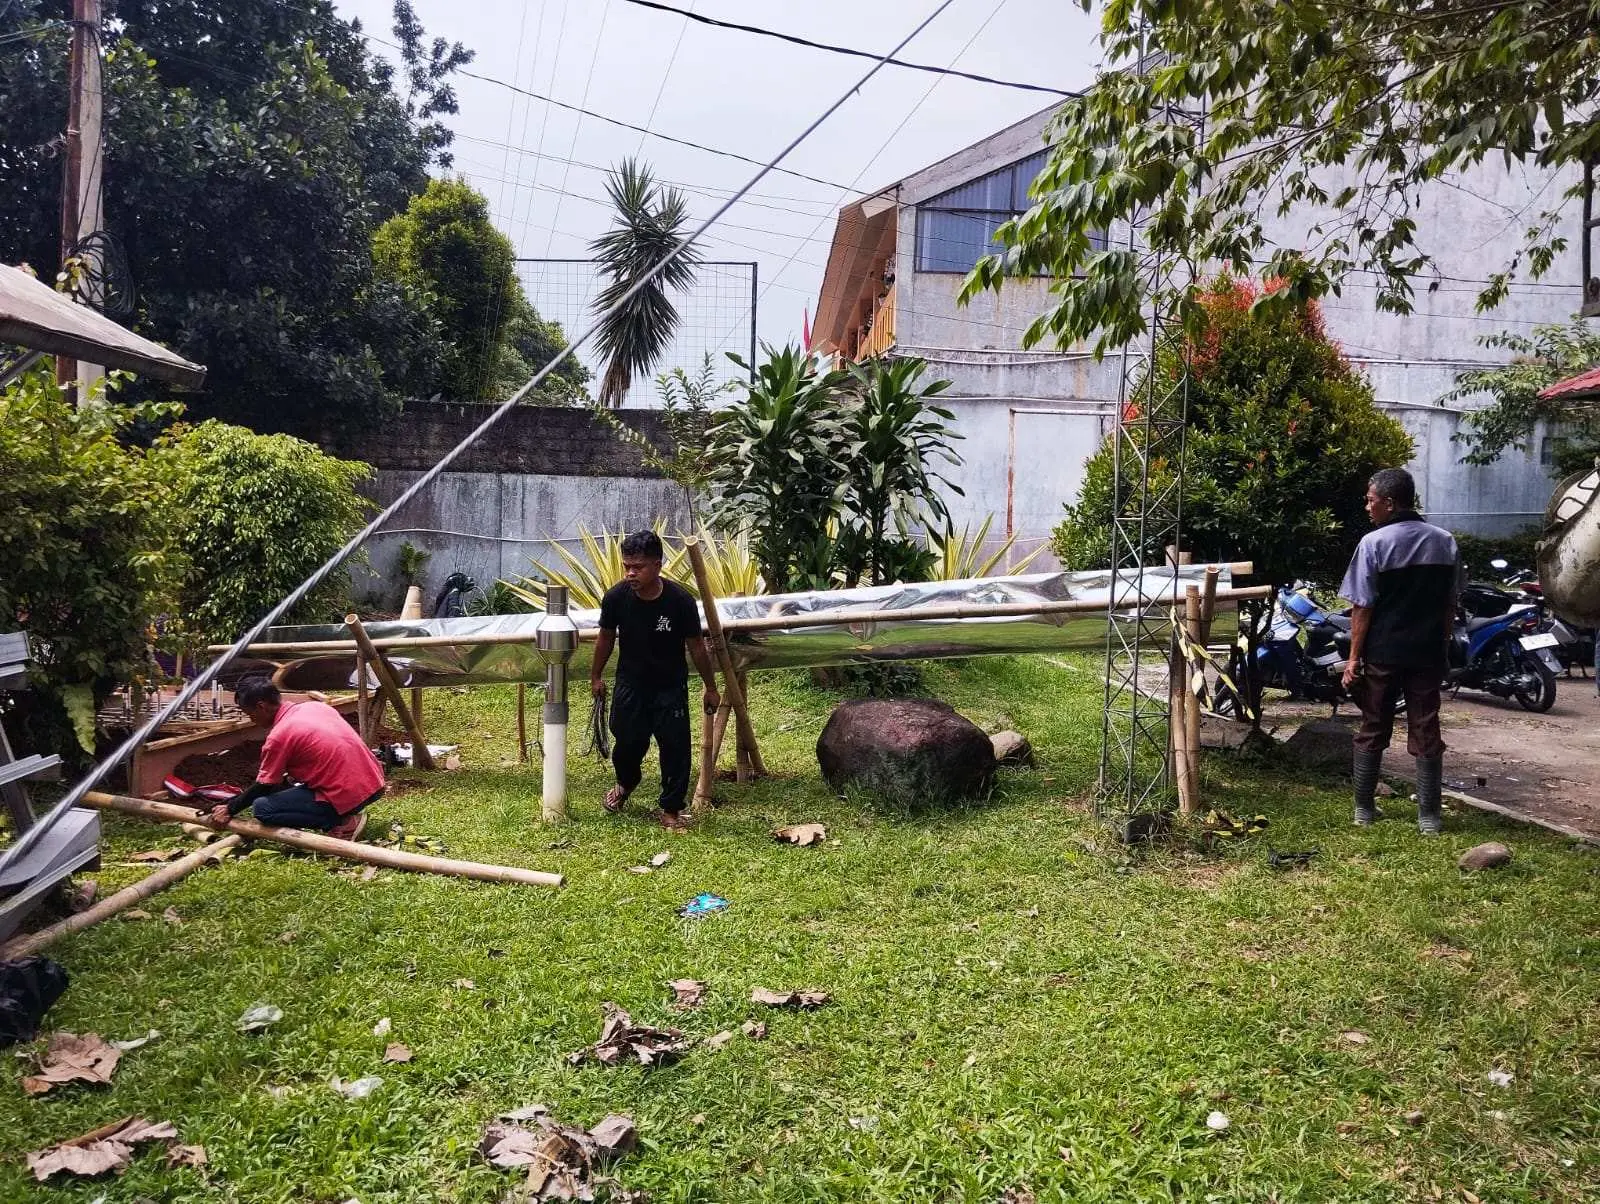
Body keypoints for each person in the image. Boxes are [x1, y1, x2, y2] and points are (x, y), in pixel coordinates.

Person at [1339, 468, 1461, 834]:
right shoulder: (1445, 541)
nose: (1367, 507)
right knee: (1426, 726)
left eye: (1370, 500)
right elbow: (1450, 603)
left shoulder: (1374, 543)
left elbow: (1362, 607)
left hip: (1384, 652)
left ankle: (1364, 809)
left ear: (1390, 503)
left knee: (1373, 723)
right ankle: (1429, 817)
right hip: (1427, 653)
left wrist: (1354, 658)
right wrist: (1442, 646)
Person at [590, 530, 720, 831]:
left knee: (675, 748)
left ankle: (671, 808)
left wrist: (711, 687)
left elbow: (696, 647)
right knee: (626, 742)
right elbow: (605, 638)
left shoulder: (680, 601)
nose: (630, 573)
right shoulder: (616, 598)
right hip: (630, 684)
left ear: (658, 565)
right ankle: (626, 783)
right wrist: (596, 676)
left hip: (670, 687)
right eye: (627, 566)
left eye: (638, 567)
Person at [205, 675, 385, 840]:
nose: (251, 719)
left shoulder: (279, 736)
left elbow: (264, 785)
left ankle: (343, 823)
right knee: (286, 787)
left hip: (350, 794)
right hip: (374, 782)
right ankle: (342, 812)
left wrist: (230, 808)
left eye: (249, 713)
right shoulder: (315, 707)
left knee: (262, 808)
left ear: (261, 706)